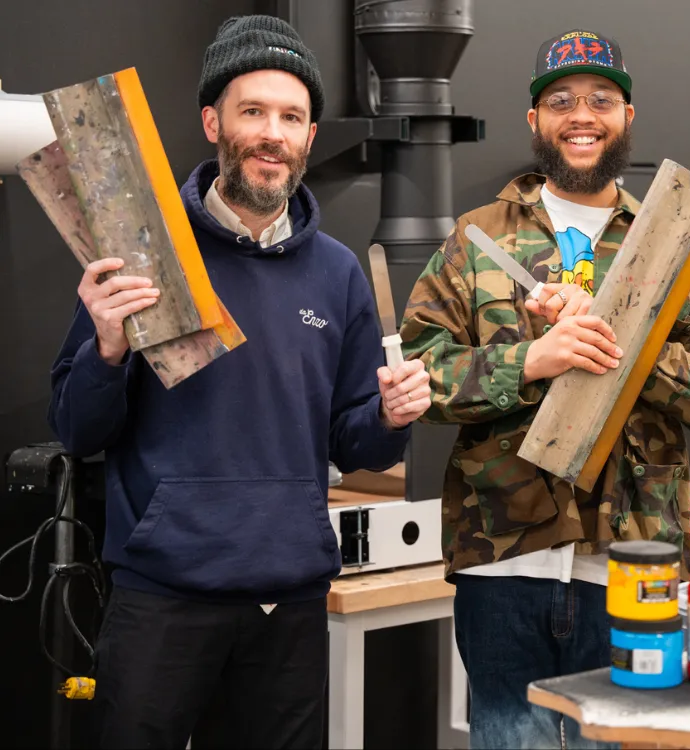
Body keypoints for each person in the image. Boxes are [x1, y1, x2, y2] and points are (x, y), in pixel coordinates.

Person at [47, 15, 430, 749]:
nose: (271, 133)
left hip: (287, 602)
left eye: (291, 117)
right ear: (212, 121)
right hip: (161, 598)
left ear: (310, 137)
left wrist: (389, 417)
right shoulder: (140, 253)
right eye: (252, 111)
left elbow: (359, 450)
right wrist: (105, 347)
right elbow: (77, 430)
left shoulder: (339, 272)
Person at [400, 28, 690, 749]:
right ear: (535, 122)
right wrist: (531, 361)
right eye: (560, 100)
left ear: (629, 116)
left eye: (600, 98)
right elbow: (418, 378)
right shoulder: (476, 240)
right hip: (504, 561)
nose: (581, 115)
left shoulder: (672, 244)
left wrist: (626, 354)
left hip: (635, 565)